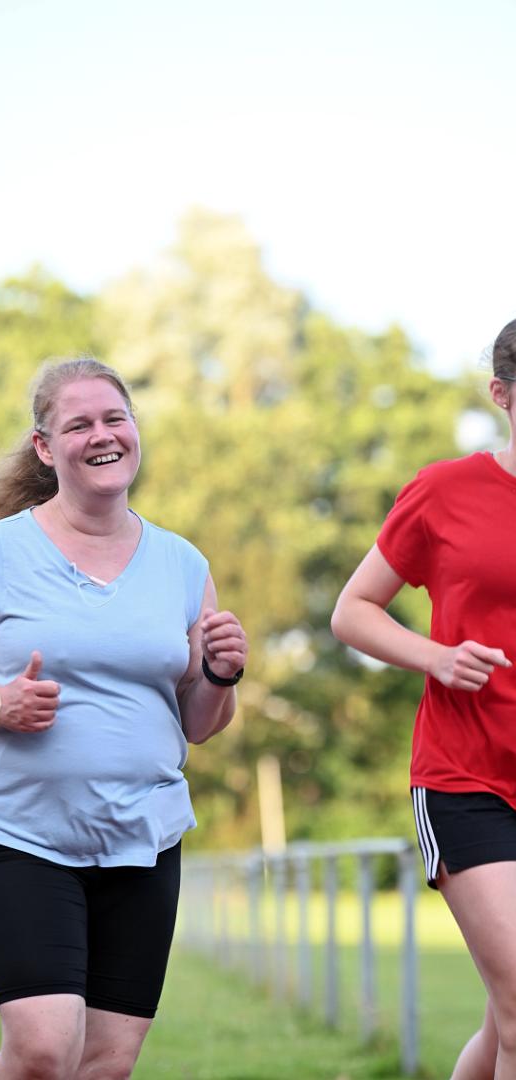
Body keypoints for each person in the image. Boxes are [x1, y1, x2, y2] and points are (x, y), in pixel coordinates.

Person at [0, 356, 248, 1080]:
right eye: (79, 424)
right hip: (16, 833)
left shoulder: (183, 565)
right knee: (42, 1051)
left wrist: (221, 674)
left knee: (106, 1063)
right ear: (44, 446)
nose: (102, 435)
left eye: (115, 418)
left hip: (142, 838)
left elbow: (198, 723)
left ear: (134, 430)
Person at [330, 319, 516, 1080]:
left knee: (504, 1022)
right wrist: (436, 657)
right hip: (466, 777)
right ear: (501, 394)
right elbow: (352, 610)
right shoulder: (445, 491)